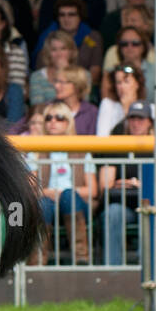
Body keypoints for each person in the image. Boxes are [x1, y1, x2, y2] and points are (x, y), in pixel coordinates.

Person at [29, 101, 96, 265]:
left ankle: (81, 257)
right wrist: (50, 193)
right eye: (48, 118)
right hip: (47, 202)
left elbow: (93, 191)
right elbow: (30, 189)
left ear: (68, 122)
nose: (53, 122)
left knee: (69, 196)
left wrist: (64, 192)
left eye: (59, 118)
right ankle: (37, 258)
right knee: (43, 203)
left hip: (76, 204)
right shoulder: (36, 151)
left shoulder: (82, 152)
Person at [99, 101, 154, 265]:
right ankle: (113, 269)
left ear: (150, 122)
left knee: (152, 212)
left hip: (149, 204)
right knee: (112, 212)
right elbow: (106, 185)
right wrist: (136, 183)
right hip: (123, 205)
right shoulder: (117, 145)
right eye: (132, 119)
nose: (136, 123)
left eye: (141, 119)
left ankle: (147, 267)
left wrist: (127, 182)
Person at [34, 0, 103, 88]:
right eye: (62, 15)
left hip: (83, 87)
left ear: (80, 16)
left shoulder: (92, 37)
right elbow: (40, 69)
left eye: (71, 14)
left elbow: (95, 72)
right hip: (51, 88)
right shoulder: (48, 36)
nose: (66, 19)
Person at [28, 30, 77, 107]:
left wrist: (65, 72)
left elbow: (81, 105)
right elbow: (37, 107)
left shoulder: (83, 75)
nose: (59, 54)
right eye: (54, 49)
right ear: (48, 53)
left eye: (63, 49)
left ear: (71, 51)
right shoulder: (37, 77)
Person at [96, 65, 147, 136]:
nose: (122, 86)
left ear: (137, 84)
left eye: (126, 82)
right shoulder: (107, 105)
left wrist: (128, 110)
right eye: (118, 82)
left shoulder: (149, 108)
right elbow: (102, 137)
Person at [50, 64, 97, 135]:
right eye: (56, 81)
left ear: (76, 85)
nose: (56, 86)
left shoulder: (91, 112)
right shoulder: (50, 108)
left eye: (62, 82)